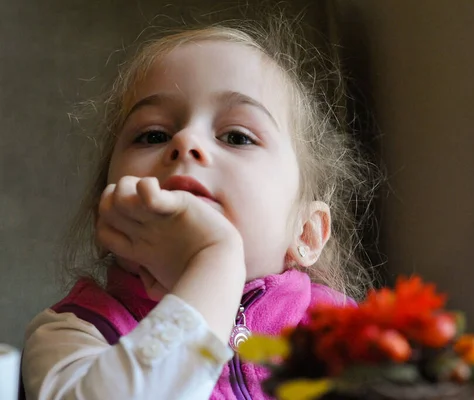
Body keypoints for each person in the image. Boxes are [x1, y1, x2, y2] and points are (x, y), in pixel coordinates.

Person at [21, 16, 378, 400]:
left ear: (306, 233)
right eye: (153, 135)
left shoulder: (342, 333)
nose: (186, 141)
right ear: (106, 215)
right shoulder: (76, 331)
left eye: (237, 137)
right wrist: (214, 264)